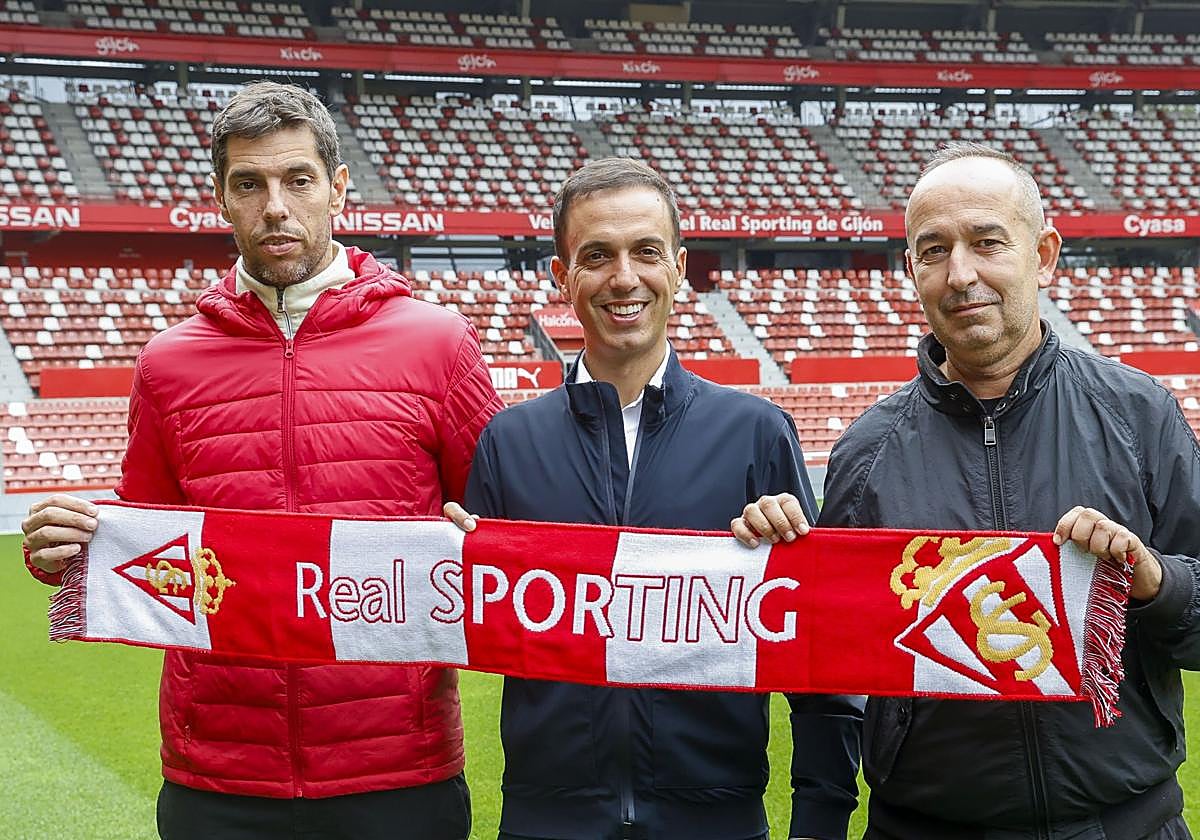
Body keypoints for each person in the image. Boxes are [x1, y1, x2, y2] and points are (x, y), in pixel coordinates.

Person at [21, 81, 503, 840]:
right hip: (218, 773)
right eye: (249, 184)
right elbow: (145, 537)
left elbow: (512, 528)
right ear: (221, 198)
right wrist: (71, 552)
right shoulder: (167, 364)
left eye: (297, 180)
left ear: (338, 190)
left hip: (396, 767)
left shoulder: (438, 343)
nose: (275, 205)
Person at [742, 141, 1200, 839]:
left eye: (987, 242)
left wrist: (1154, 581)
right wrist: (770, 560)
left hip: (1125, 824)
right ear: (911, 270)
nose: (961, 275)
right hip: (923, 825)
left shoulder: (1140, 416)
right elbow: (827, 664)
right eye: (934, 250)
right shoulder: (867, 450)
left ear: (1043, 255)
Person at [444, 157, 862, 840]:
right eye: (597, 255)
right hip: (547, 821)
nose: (624, 277)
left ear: (677, 266)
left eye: (645, 251)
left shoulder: (755, 432)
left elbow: (817, 647)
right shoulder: (508, 442)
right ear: (562, 276)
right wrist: (447, 561)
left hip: (717, 820)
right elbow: (470, 631)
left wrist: (818, 816)